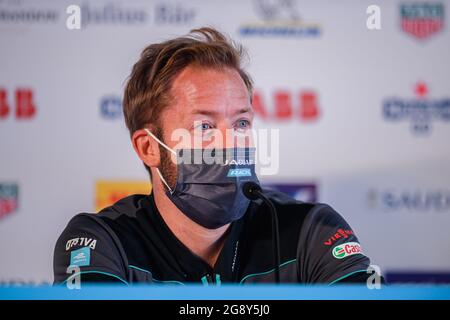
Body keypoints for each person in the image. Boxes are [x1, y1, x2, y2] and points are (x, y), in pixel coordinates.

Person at [54, 27, 381, 285]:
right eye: (205, 126)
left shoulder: (309, 231)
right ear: (148, 148)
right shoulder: (103, 241)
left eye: (240, 122)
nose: (230, 143)